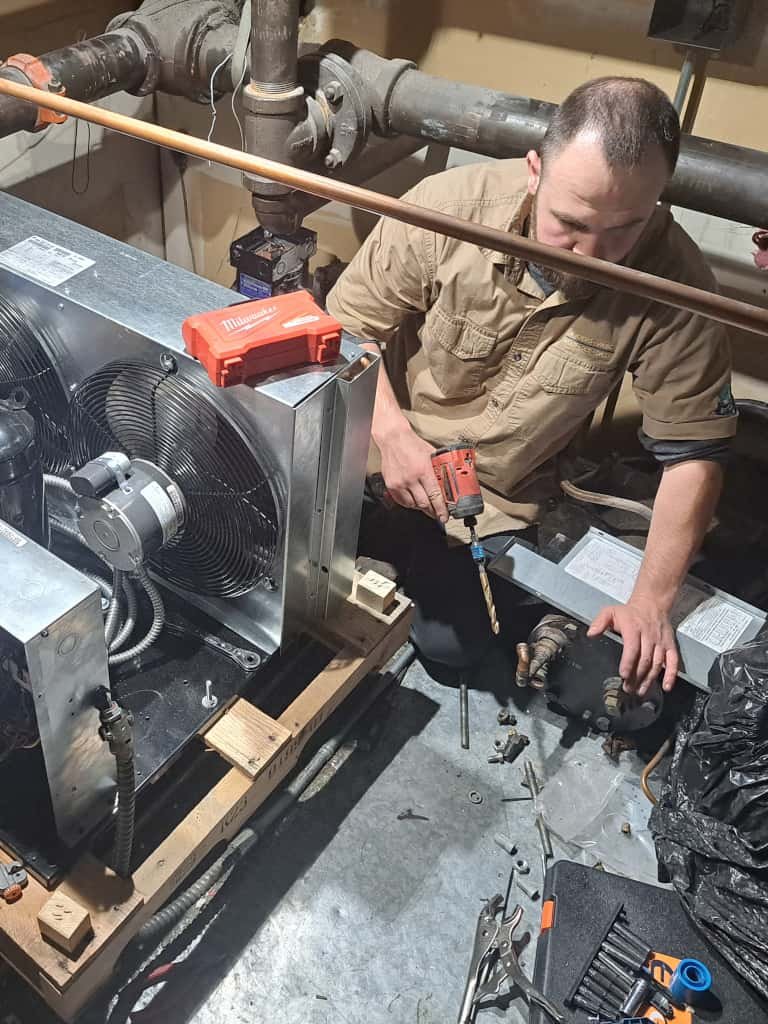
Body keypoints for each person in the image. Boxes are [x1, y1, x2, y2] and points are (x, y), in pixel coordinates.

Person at [326, 77, 737, 697]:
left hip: (489, 497)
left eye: (622, 229)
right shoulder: (450, 209)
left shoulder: (675, 284)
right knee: (285, 570)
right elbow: (344, 326)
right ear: (534, 170)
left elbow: (694, 454)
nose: (591, 254)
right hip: (379, 447)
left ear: (657, 201)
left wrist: (651, 602)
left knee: (451, 652)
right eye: (569, 224)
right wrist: (390, 430)